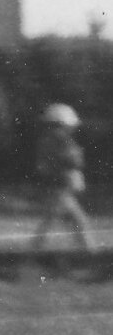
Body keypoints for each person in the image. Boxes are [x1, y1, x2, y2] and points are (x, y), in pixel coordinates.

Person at [32, 104, 97, 252]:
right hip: (61, 188)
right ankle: (90, 253)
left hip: (62, 188)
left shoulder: (54, 140)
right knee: (63, 221)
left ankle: (89, 251)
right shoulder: (57, 141)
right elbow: (72, 161)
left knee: (74, 222)